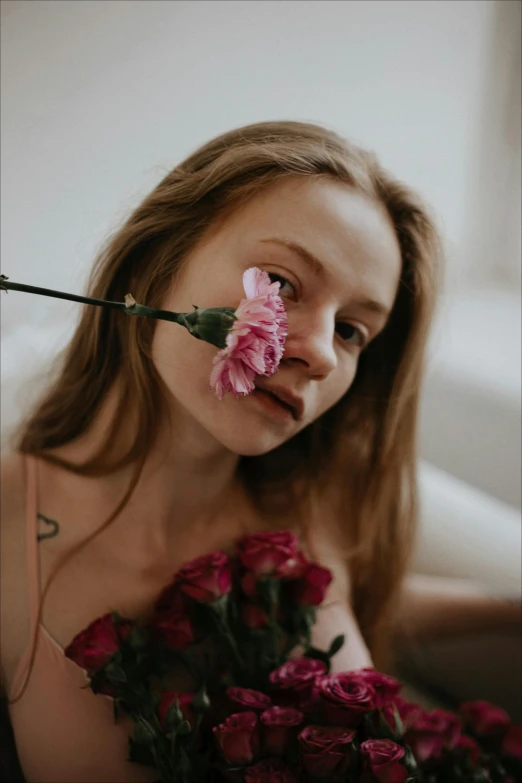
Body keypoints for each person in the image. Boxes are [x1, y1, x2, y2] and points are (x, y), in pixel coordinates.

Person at [0, 120, 519, 782]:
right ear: (161, 257)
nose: (324, 353)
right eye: (281, 281)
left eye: (353, 329)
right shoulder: (8, 513)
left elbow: (361, 596)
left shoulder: (307, 501)